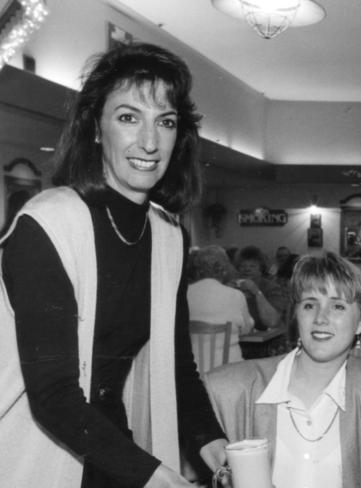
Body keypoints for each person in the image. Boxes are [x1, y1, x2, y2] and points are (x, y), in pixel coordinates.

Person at [0, 42, 228, 487]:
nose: (149, 141)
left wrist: (210, 440)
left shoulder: (168, 235)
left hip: (111, 444)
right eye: (128, 117)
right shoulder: (46, 224)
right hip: (34, 450)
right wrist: (152, 475)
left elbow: (179, 365)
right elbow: (52, 396)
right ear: (96, 129)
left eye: (165, 122)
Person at [204, 252, 361, 487]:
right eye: (309, 305)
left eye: (337, 306)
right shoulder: (227, 390)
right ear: (297, 315)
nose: (320, 318)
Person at [187, 245, 255, 366]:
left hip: (192, 369)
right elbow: (246, 329)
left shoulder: (184, 293)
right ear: (224, 269)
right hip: (228, 369)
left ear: (197, 269)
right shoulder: (235, 295)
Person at [233, 244, 288, 330]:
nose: (247, 269)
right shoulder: (233, 288)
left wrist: (257, 292)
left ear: (261, 268)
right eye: (243, 266)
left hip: (269, 339)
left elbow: (273, 321)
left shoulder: (273, 288)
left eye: (252, 266)